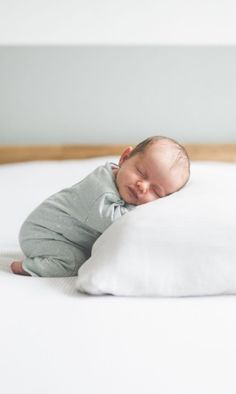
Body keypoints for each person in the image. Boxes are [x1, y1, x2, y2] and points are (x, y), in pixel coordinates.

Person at [11, 136, 190, 277]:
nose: (142, 186)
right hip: (43, 234)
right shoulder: (99, 192)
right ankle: (28, 267)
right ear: (124, 158)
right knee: (74, 263)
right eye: (140, 172)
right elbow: (120, 225)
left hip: (65, 236)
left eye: (156, 192)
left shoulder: (122, 186)